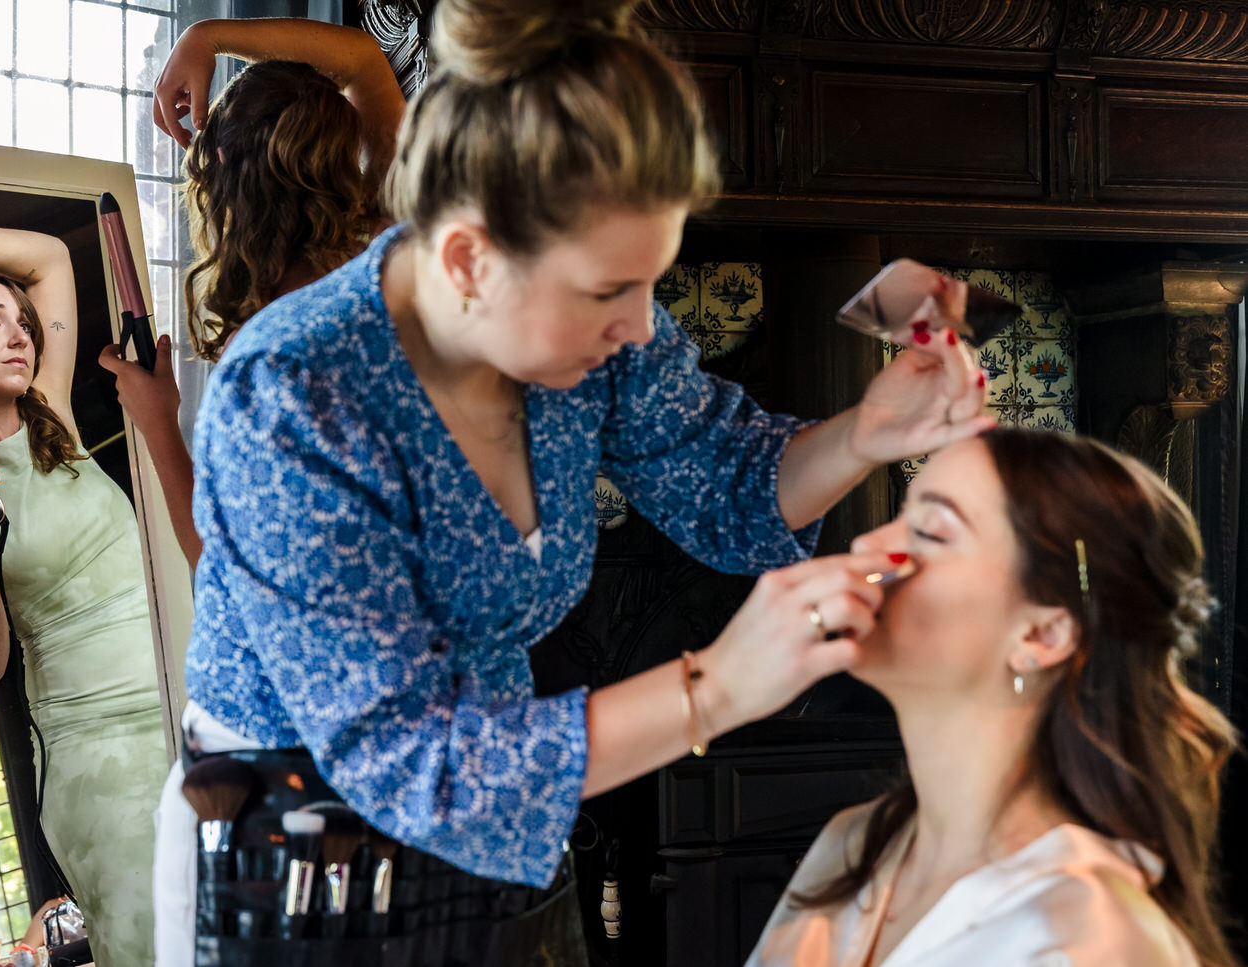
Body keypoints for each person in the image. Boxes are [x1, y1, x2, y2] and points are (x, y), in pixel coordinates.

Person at [156, 0, 996, 960]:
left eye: (651, 280)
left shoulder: (595, 348)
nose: (642, 326)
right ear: (470, 259)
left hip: (514, 811)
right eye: (608, 291)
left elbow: (728, 479)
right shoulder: (293, 397)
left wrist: (866, 432)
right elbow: (412, 763)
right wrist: (716, 686)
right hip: (305, 853)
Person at [748, 428, 1239, 967]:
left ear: (1041, 636)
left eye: (930, 532)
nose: (867, 547)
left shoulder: (1092, 937)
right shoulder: (852, 845)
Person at [0, 226, 170, 967]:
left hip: (184, 703)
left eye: (23, 320)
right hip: (95, 755)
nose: (21, 333)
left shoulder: (53, 417)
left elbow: (49, 258)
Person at [100, 19, 405, 567]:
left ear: (219, 162)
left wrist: (158, 426)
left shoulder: (264, 349)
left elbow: (225, 563)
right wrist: (205, 36)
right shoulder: (398, 243)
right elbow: (363, 60)